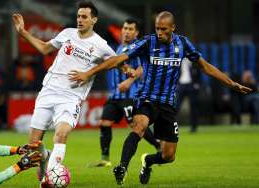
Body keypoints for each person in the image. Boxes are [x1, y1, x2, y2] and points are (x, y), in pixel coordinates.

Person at [69, 11, 252, 185]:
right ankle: (122, 168)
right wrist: (89, 73)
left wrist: (231, 83)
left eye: (164, 29)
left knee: (168, 156)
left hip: (167, 104)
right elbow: (118, 59)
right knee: (138, 127)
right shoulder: (147, 42)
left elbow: (205, 66)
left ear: (173, 28)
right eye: (157, 28)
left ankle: (147, 161)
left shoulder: (183, 44)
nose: (160, 32)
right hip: (146, 98)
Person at [12, 1, 116, 186]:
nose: (80, 19)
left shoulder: (100, 44)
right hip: (49, 90)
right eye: (78, 16)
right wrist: (23, 32)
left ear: (94, 20)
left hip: (70, 96)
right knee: (33, 148)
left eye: (84, 16)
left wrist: (89, 73)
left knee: (61, 133)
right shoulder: (67, 33)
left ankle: (50, 178)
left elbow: (115, 60)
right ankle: (46, 157)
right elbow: (45, 48)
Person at [91, 18, 160, 168]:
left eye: (130, 29)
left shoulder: (139, 47)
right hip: (116, 95)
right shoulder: (120, 47)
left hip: (131, 95)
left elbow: (143, 67)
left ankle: (158, 145)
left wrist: (129, 82)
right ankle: (105, 158)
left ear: (136, 33)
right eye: (125, 28)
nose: (126, 31)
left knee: (135, 125)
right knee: (104, 123)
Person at [177, 58, 200, 132]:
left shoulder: (193, 62)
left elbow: (199, 73)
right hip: (181, 85)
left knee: (193, 107)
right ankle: (171, 126)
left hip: (191, 85)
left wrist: (197, 84)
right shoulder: (178, 60)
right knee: (176, 107)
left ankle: (194, 127)